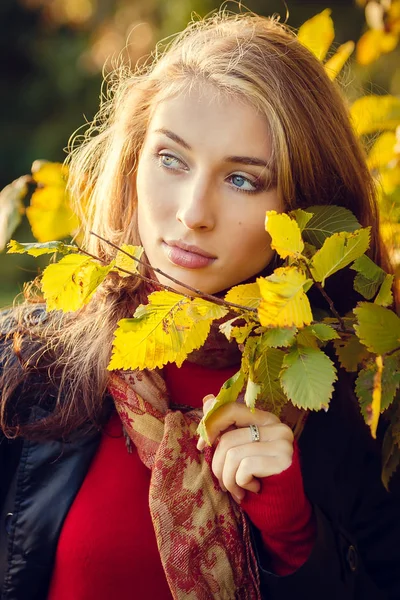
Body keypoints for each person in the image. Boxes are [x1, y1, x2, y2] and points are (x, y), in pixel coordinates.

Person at [0, 8, 399, 600]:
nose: (191, 212)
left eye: (242, 179)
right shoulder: (26, 365)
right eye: (171, 159)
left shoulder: (360, 397)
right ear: (135, 160)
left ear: (306, 209)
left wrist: (297, 539)